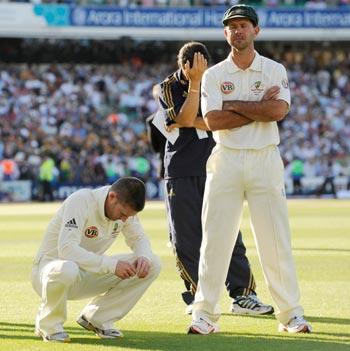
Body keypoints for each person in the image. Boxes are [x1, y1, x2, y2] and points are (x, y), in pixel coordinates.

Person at [188, 5, 312, 335]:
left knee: (275, 240)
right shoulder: (214, 75)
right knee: (215, 239)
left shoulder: (274, 69)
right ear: (225, 33)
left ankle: (290, 314)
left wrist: (234, 107)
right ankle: (204, 314)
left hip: (264, 157)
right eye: (232, 27)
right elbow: (214, 120)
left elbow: (278, 110)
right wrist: (258, 109)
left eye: (244, 25)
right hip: (226, 157)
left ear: (256, 30)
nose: (238, 31)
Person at [158, 41, 273, 316]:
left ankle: (243, 295)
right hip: (181, 169)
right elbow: (186, 116)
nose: (200, 73)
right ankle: (197, 296)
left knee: (230, 231)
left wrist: (198, 119)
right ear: (183, 66)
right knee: (185, 237)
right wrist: (195, 86)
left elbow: (222, 119)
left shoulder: (218, 80)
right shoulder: (168, 86)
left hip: (216, 164)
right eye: (194, 69)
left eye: (203, 69)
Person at [31, 177, 161, 342]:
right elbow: (67, 249)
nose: (123, 220)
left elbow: (139, 238)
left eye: (128, 217)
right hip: (49, 273)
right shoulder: (81, 201)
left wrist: (143, 257)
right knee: (68, 268)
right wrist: (111, 265)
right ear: (112, 197)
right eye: (122, 214)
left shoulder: (124, 212)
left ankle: (97, 318)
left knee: (153, 263)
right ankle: (48, 325)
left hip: (86, 274)